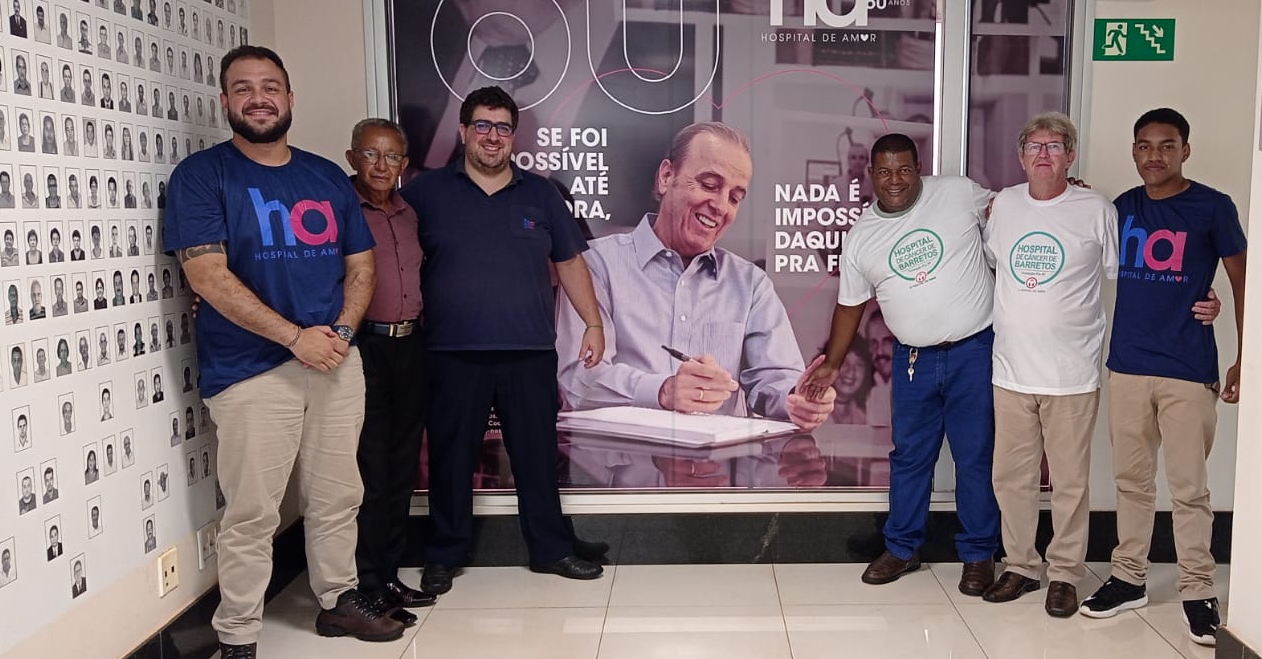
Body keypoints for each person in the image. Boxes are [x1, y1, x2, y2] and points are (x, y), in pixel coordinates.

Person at [165, 45, 401, 659]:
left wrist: (341, 335)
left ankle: (338, 599)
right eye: (243, 88)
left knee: (337, 495)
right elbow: (207, 276)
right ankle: (238, 636)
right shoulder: (202, 176)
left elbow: (360, 266)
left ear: (290, 99)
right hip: (250, 371)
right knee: (251, 513)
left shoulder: (325, 177)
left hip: (333, 360)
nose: (258, 98)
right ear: (225, 102)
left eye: (270, 87)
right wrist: (295, 338)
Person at [404, 85, 609, 594]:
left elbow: (569, 261)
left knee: (537, 458)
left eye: (502, 127)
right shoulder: (424, 194)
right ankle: (444, 555)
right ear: (463, 131)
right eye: (482, 125)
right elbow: (397, 260)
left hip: (528, 352)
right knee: (451, 459)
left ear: (513, 136)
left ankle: (551, 550)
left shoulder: (542, 194)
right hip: (451, 352)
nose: (492, 136)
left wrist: (593, 322)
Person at [1078, 109, 1247, 646]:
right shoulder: (1122, 207)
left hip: (1187, 370)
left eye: (1167, 145)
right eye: (1145, 146)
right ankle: (1129, 579)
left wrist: (1246, 353)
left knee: (1189, 488)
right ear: (1134, 151)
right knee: (1131, 482)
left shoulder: (1213, 207)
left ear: (1185, 151)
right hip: (1128, 366)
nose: (1155, 155)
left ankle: (1199, 590)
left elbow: (1243, 280)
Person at [804, 134, 999, 594]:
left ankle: (978, 554)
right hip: (913, 360)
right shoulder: (862, 237)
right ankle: (902, 548)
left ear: (918, 168)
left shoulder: (956, 192)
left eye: (905, 169)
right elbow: (850, 306)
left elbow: (1010, 210)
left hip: (974, 351)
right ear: (872, 175)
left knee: (974, 456)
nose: (895, 180)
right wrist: (833, 363)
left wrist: (1061, 193)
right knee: (910, 456)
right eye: (886, 172)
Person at [554, 121, 836, 439]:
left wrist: (798, 399)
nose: (721, 206)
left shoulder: (751, 285)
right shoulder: (595, 264)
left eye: (735, 197)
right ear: (666, 176)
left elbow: (776, 380)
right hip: (617, 466)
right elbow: (578, 380)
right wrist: (663, 390)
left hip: (717, 467)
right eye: (709, 185)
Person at [982, 112, 1118, 618]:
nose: (1044, 154)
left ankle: (1064, 574)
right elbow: (994, 263)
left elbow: (1119, 273)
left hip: (1072, 374)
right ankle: (1020, 565)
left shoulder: (1096, 209)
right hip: (1011, 371)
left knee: (1070, 484)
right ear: (1021, 157)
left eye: (1055, 146)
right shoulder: (1004, 205)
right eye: (1034, 146)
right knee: (1010, 479)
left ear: (1070, 156)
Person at [341, 117, 436, 620]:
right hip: (364, 350)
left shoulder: (408, 213)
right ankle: (367, 583)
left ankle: (390, 576)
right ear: (352, 157)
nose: (382, 165)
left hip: (410, 347)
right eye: (371, 154)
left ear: (405, 164)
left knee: (401, 469)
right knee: (370, 472)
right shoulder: (338, 208)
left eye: (392, 156)